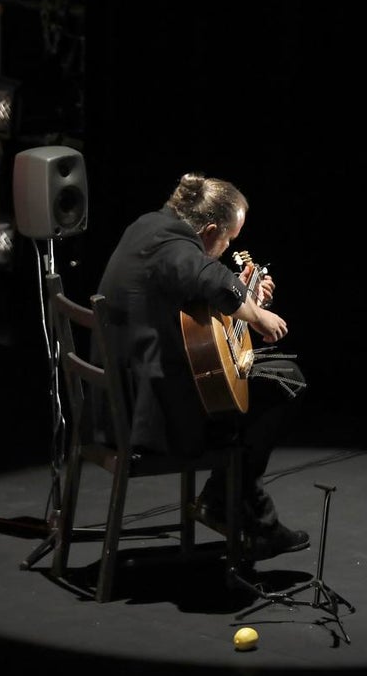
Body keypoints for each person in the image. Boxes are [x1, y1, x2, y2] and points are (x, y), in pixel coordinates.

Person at [94, 171, 310, 560]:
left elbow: (192, 297)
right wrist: (258, 316)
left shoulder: (149, 226)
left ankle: (234, 504)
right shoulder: (175, 249)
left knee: (262, 383)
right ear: (209, 230)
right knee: (283, 382)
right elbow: (207, 278)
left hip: (122, 399)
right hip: (151, 416)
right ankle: (231, 503)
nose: (228, 248)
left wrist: (243, 295)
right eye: (228, 240)